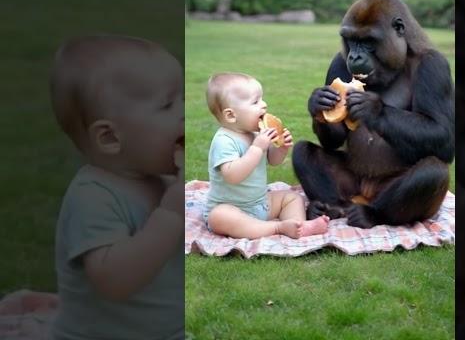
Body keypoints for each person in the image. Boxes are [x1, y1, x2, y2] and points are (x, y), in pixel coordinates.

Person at [49, 35, 184, 339]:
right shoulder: (94, 197)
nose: (184, 113)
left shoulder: (165, 180)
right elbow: (115, 281)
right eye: (167, 105)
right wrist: (171, 215)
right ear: (110, 138)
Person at [205, 72, 329, 239]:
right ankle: (277, 227)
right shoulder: (224, 141)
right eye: (255, 102)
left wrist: (281, 148)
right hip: (232, 207)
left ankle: (298, 225)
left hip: (260, 204)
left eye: (261, 99)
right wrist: (256, 149)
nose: (264, 105)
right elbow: (232, 176)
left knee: (291, 198)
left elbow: (273, 161)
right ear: (231, 115)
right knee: (218, 217)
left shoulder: (256, 133)